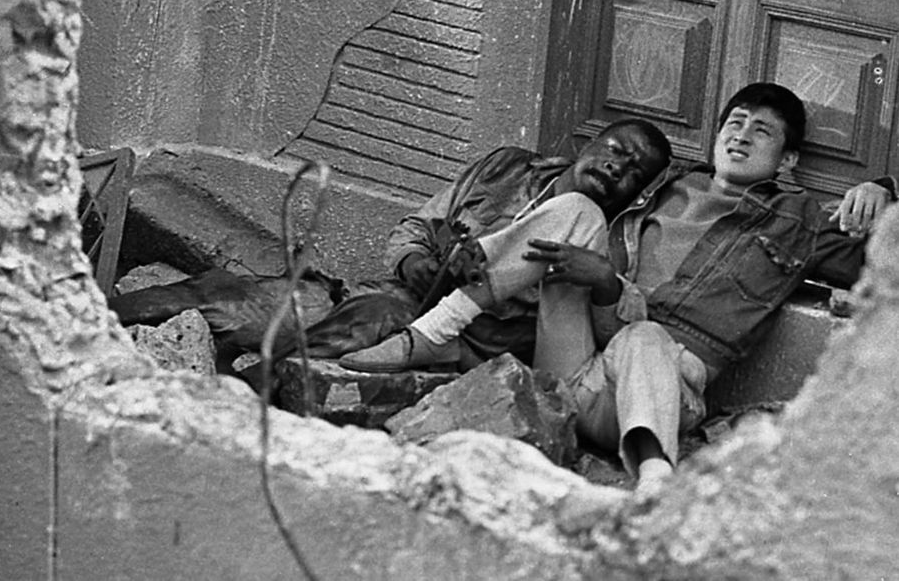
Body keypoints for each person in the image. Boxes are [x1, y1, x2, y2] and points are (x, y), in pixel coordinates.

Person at [520, 82, 894, 492]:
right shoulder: (656, 183)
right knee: (572, 219)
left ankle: (654, 478)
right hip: (579, 360)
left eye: (762, 131)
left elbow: (883, 256)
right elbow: (568, 189)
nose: (742, 135)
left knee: (644, 337)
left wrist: (887, 189)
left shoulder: (796, 222)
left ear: (787, 159)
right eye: (735, 123)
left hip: (661, 387)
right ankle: (442, 328)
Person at [338, 118, 672, 378]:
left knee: (582, 211)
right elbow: (423, 226)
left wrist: (604, 281)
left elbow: (617, 342)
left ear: (639, 195)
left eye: (634, 172)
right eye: (614, 149)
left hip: (495, 351)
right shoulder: (507, 169)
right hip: (423, 304)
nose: (617, 167)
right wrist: (416, 262)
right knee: (362, 317)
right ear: (586, 145)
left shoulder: (619, 238)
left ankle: (435, 333)